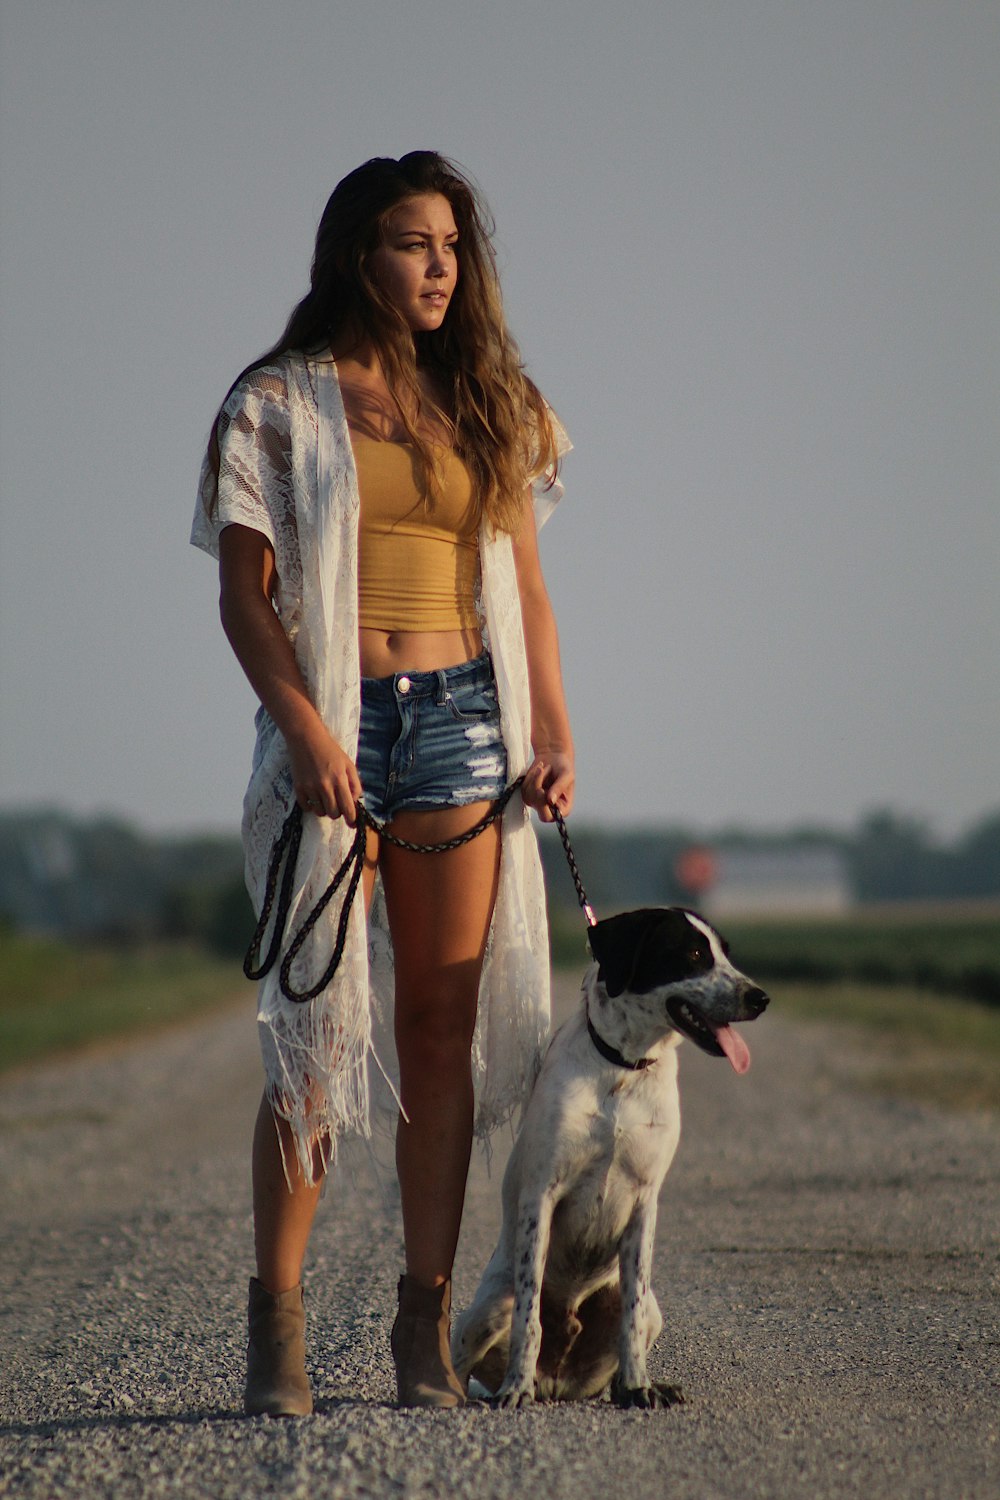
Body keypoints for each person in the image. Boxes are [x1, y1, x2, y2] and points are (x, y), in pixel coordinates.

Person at [191, 151, 574, 1414]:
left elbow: (523, 591)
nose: (440, 269)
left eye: (455, 247)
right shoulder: (279, 402)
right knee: (312, 1033)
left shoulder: (493, 400)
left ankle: (422, 1325)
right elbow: (246, 598)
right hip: (335, 722)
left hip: (467, 723)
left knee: (435, 1030)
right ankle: (279, 1325)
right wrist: (301, 725)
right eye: (416, 244)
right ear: (360, 252)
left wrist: (554, 729)